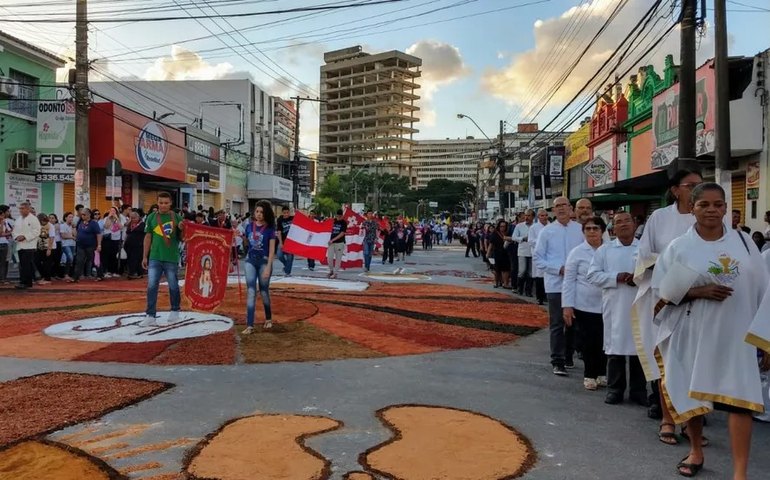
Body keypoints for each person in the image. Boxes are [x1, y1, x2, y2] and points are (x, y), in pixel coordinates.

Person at [653, 183, 770, 479]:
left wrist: (765, 339)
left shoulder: (744, 243)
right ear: (692, 207)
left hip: (738, 334)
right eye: (704, 204)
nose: (712, 210)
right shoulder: (679, 247)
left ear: (726, 207)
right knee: (694, 397)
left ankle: (740, 472)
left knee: (740, 400)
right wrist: (698, 291)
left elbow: (765, 290)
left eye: (718, 204)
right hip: (693, 331)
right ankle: (696, 450)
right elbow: (660, 295)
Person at [630, 168, 703, 441]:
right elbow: (644, 255)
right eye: (691, 185)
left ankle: (692, 423)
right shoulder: (659, 218)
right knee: (668, 361)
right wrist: (674, 262)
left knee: (695, 363)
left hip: (702, 299)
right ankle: (668, 419)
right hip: (665, 298)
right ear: (675, 190)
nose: (697, 190)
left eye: (701, 184)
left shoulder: (707, 218)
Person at [587, 212, 646, 405]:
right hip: (616, 306)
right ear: (613, 228)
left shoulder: (645, 248)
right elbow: (593, 275)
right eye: (618, 222)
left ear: (635, 224)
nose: (623, 225)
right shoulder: (605, 250)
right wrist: (616, 277)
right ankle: (615, 389)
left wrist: (638, 279)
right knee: (615, 348)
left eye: (627, 220)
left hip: (640, 305)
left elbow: (657, 273)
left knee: (640, 349)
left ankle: (638, 391)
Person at [533, 197, 583, 375]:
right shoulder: (546, 232)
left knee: (574, 322)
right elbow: (538, 258)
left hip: (578, 283)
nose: (561, 209)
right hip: (555, 284)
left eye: (564, 205)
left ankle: (569, 355)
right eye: (557, 206)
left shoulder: (580, 230)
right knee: (557, 322)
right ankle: (557, 360)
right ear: (553, 210)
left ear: (571, 208)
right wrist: (557, 269)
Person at [563, 216, 608, 391]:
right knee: (589, 342)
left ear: (602, 231)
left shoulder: (610, 250)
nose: (591, 232)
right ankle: (589, 374)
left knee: (605, 341)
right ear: (583, 232)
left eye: (595, 228)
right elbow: (569, 280)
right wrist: (567, 305)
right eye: (587, 229)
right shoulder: (577, 252)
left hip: (607, 304)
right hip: (584, 305)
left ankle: (602, 373)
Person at [141, 192, 185, 327]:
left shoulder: (176, 217)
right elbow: (148, 237)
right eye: (161, 203)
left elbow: (182, 238)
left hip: (171, 257)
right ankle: (150, 315)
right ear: (157, 203)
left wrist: (183, 229)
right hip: (155, 257)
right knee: (151, 286)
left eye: (166, 203)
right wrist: (145, 256)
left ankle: (175, 311)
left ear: (171, 203)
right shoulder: (151, 217)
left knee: (173, 285)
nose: (163, 205)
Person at [241, 200, 276, 334]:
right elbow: (247, 243)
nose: (259, 214)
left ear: (266, 213)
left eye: (262, 212)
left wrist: (268, 266)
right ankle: (249, 324)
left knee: (263, 291)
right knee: (250, 290)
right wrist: (239, 237)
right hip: (250, 260)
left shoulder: (270, 229)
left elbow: (272, 250)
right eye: (257, 211)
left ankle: (268, 318)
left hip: (264, 262)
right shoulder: (249, 226)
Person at [68, 208, 101, 283]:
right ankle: (75, 277)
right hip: (80, 245)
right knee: (79, 261)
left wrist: (99, 245)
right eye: (81, 214)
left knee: (94, 260)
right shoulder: (81, 222)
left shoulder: (93, 223)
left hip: (91, 245)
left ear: (89, 214)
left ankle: (100, 275)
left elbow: (98, 234)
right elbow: (77, 231)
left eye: (84, 214)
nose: (82, 216)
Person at [13, 202, 41, 290]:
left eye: (22, 208)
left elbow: (36, 231)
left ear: (28, 209)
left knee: (26, 265)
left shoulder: (34, 219)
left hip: (29, 245)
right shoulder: (18, 219)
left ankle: (26, 282)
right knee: (22, 264)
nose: (20, 210)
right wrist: (17, 237)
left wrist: (25, 236)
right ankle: (24, 282)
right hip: (20, 245)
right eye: (20, 208)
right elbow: (14, 230)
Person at [513, 209, 535, 296]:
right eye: (526, 215)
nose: (527, 217)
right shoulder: (519, 226)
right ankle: (520, 289)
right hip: (522, 251)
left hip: (533, 252)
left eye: (529, 215)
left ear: (533, 217)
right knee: (522, 270)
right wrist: (522, 238)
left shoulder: (536, 226)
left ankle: (528, 291)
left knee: (531, 272)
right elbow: (514, 237)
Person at [529, 210, 549, 305]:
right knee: (539, 276)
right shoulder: (534, 227)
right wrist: (542, 241)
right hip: (538, 254)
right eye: (542, 215)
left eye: (545, 215)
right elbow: (531, 241)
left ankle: (547, 296)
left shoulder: (552, 226)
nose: (544, 217)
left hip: (550, 255)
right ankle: (540, 297)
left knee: (548, 276)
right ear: (538, 217)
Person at [488, 219, 512, 289]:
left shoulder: (508, 233)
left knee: (506, 269)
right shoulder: (495, 234)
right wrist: (488, 253)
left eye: (504, 226)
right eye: (501, 226)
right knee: (497, 269)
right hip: (497, 253)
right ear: (498, 226)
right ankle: (496, 282)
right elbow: (491, 244)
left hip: (506, 253)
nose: (502, 228)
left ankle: (505, 283)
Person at [124, 210, 145, 279]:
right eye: (131, 218)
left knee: (137, 259)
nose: (133, 219)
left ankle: (136, 273)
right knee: (130, 258)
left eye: (134, 218)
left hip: (139, 244)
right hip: (129, 244)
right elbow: (127, 232)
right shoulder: (130, 224)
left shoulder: (142, 224)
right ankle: (132, 272)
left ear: (138, 217)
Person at [34, 213, 55, 285]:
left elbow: (51, 237)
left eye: (45, 221)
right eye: (42, 221)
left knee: (47, 264)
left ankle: (47, 279)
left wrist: (49, 249)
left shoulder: (50, 226)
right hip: (40, 247)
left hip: (49, 247)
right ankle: (43, 276)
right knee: (36, 261)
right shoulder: (38, 225)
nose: (44, 222)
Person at [276, 206, 295, 276]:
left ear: (289, 212)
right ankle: (286, 265)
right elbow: (279, 231)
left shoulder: (293, 218)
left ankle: (287, 272)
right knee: (279, 255)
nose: (286, 214)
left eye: (287, 213)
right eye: (284, 213)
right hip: (283, 240)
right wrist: (280, 243)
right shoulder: (280, 220)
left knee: (290, 257)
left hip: (291, 242)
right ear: (282, 213)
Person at [328, 209, 346, 279]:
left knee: (338, 259)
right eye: (337, 216)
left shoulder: (344, 223)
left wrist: (333, 240)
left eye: (340, 216)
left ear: (342, 216)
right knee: (329, 258)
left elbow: (342, 233)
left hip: (339, 243)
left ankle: (335, 273)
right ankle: (331, 270)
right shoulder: (333, 221)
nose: (338, 218)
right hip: (331, 243)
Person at [59, 212, 76, 281]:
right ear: (65, 218)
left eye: (72, 217)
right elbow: (63, 236)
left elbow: (75, 235)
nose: (71, 219)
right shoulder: (63, 225)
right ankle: (65, 274)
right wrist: (72, 237)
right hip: (65, 244)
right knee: (70, 258)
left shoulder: (73, 226)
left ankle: (67, 274)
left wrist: (74, 228)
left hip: (73, 244)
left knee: (70, 260)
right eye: (69, 217)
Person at [0, 205, 13, 284]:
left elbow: (9, 231)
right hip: (2, 243)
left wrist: (10, 232)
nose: (9, 213)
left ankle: (3, 278)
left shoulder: (6, 221)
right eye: (7, 211)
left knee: (4, 262)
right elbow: (1, 233)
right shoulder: (3, 221)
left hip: (5, 243)